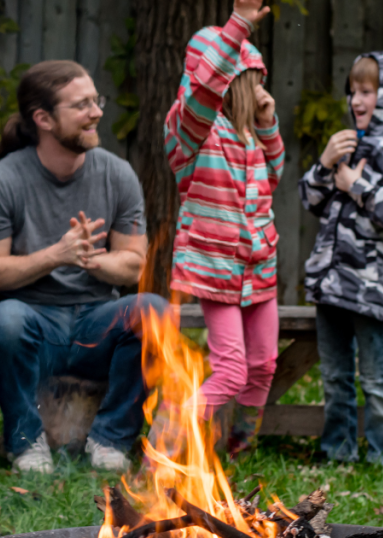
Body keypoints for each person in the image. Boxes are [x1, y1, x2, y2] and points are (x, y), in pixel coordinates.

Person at [0, 60, 169, 474]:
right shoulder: (1, 180)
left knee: (154, 310)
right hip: (33, 325)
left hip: (95, 325)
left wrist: (91, 259)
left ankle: (111, 437)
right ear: (43, 119)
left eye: (96, 100)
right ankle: (25, 443)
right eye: (81, 105)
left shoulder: (118, 174)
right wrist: (56, 255)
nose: (96, 112)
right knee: (4, 321)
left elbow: (133, 265)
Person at [160, 0, 283, 460]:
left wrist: (268, 125)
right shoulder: (190, 132)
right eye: (250, 85)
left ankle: (237, 449)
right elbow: (204, 90)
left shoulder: (249, 134)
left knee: (263, 366)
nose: (258, 93)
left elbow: (273, 178)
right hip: (216, 269)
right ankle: (169, 442)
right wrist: (240, 26)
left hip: (259, 268)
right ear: (231, 86)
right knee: (231, 372)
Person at [299, 51, 383, 465]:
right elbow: (311, 200)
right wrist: (324, 165)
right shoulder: (348, 147)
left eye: (367, 91)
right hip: (332, 284)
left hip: (372, 289)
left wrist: (359, 185)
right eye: (353, 91)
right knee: (335, 376)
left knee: (376, 378)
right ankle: (336, 450)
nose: (356, 100)